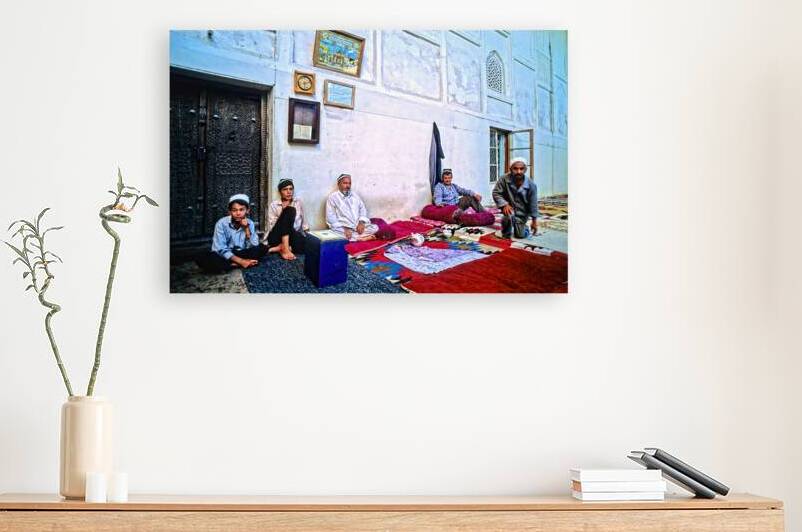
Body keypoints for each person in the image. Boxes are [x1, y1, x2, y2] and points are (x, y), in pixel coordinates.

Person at [196, 193, 268, 273]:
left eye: (241, 210)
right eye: (234, 210)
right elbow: (221, 249)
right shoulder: (221, 223)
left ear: (247, 211)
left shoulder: (250, 223)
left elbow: (254, 245)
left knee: (262, 248)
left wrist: (246, 229)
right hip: (226, 255)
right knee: (203, 257)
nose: (238, 213)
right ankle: (237, 264)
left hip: (241, 252)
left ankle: (230, 265)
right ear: (229, 212)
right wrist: (241, 261)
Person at [492, 158, 538, 239]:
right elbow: (496, 193)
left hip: (522, 214)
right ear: (510, 169)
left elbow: (533, 203)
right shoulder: (503, 179)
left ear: (525, 169)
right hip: (509, 209)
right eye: (515, 169)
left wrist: (534, 221)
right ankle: (506, 233)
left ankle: (524, 228)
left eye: (521, 169)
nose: (519, 171)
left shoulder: (531, 185)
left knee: (520, 235)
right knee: (508, 216)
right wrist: (504, 204)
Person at [325, 174, 380, 241]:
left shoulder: (355, 195)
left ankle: (357, 237)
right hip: (343, 226)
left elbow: (362, 209)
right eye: (345, 183)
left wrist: (361, 223)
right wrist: (345, 228)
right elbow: (330, 217)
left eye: (349, 183)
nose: (348, 186)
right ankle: (363, 238)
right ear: (338, 184)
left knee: (375, 227)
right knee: (337, 233)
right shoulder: (332, 197)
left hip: (357, 226)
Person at [264, 178, 308, 260]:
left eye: (291, 189)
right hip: (276, 236)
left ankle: (280, 248)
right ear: (280, 191)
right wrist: (284, 212)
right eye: (285, 189)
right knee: (290, 210)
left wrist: (308, 237)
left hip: (292, 235)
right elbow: (272, 225)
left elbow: (304, 223)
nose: (289, 192)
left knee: (311, 246)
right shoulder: (274, 204)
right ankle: (286, 249)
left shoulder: (298, 202)